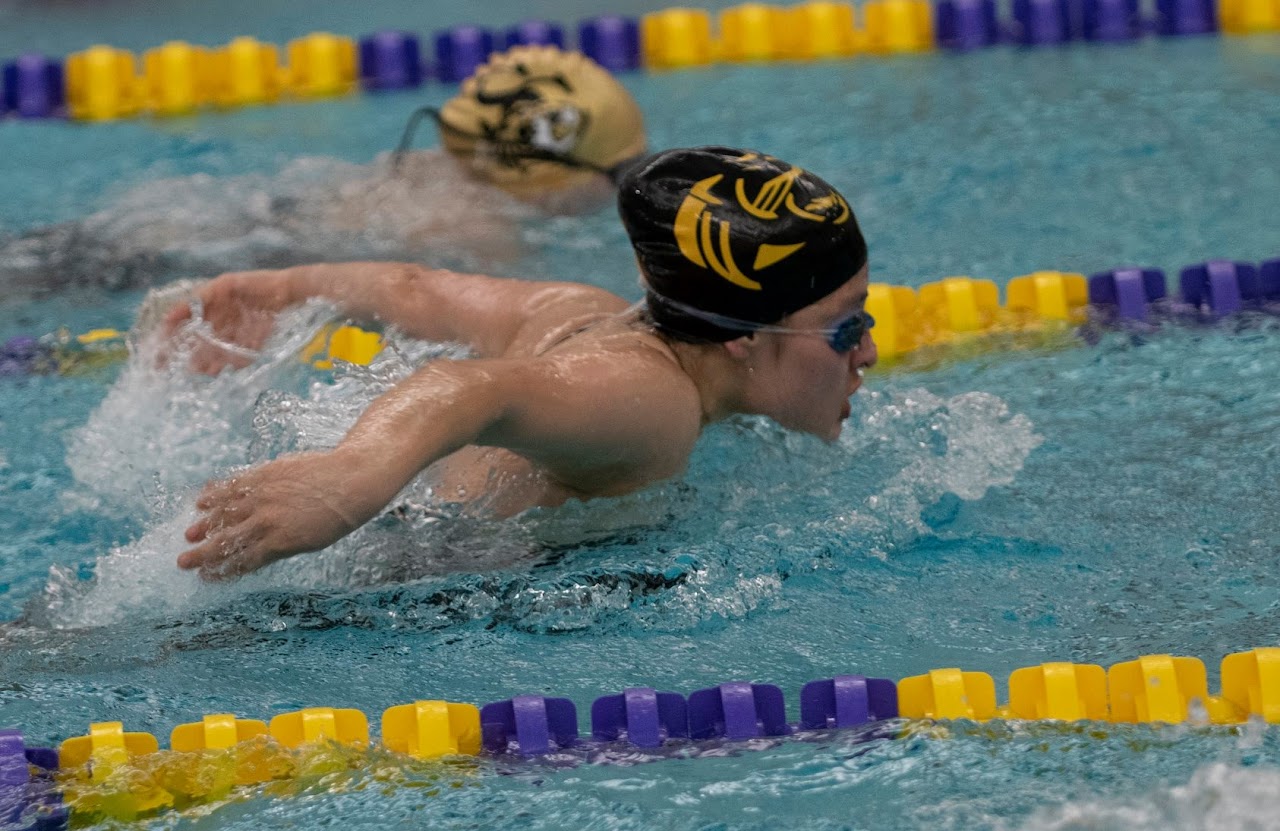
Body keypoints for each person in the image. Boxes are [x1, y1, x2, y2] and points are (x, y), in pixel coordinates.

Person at [167, 146, 879, 581]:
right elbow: (465, 387)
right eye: (847, 326)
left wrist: (277, 289)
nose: (868, 352)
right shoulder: (653, 403)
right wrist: (350, 477)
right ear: (742, 337)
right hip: (380, 582)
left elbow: (417, 288)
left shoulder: (584, 312)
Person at [0, 45, 647, 298]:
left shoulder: (423, 168)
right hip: (183, 259)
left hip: (191, 216)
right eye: (616, 173)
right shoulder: (486, 232)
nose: (615, 190)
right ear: (548, 172)